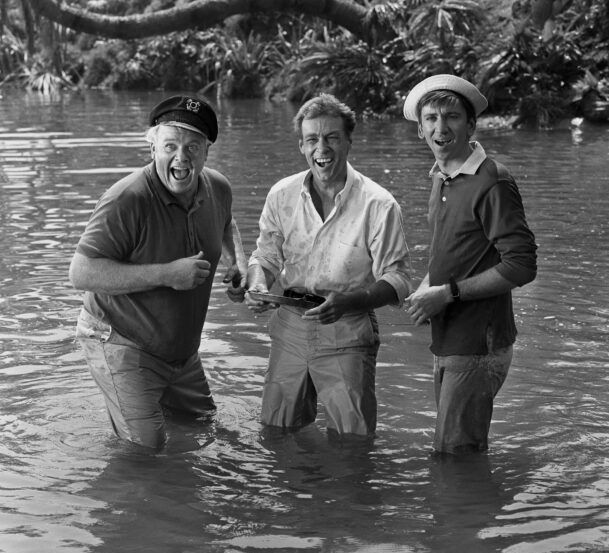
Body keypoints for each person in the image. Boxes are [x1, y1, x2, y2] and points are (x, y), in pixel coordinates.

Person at [69, 95, 247, 449]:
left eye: (193, 147)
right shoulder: (127, 198)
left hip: (180, 351)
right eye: (171, 146)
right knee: (145, 451)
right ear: (153, 147)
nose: (181, 158)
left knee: (204, 429)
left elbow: (227, 221)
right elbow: (81, 273)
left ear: (207, 151)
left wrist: (237, 261)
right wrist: (167, 274)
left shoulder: (218, 187)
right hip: (120, 339)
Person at [245, 93, 411, 438]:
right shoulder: (282, 194)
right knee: (276, 432)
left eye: (332, 137)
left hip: (348, 327)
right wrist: (258, 284)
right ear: (301, 146)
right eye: (312, 140)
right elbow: (266, 256)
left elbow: (397, 280)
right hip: (289, 324)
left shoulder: (379, 204)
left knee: (352, 442)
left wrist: (349, 302)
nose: (322, 148)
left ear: (349, 141)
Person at [403, 74, 537, 455]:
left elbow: (522, 266)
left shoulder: (491, 182)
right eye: (430, 118)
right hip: (450, 337)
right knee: (452, 452)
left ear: (471, 124)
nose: (440, 128)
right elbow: (451, 250)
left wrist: (448, 293)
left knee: (455, 458)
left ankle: (470, 514)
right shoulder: (443, 176)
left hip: (478, 344)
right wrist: (426, 288)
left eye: (451, 117)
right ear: (420, 129)